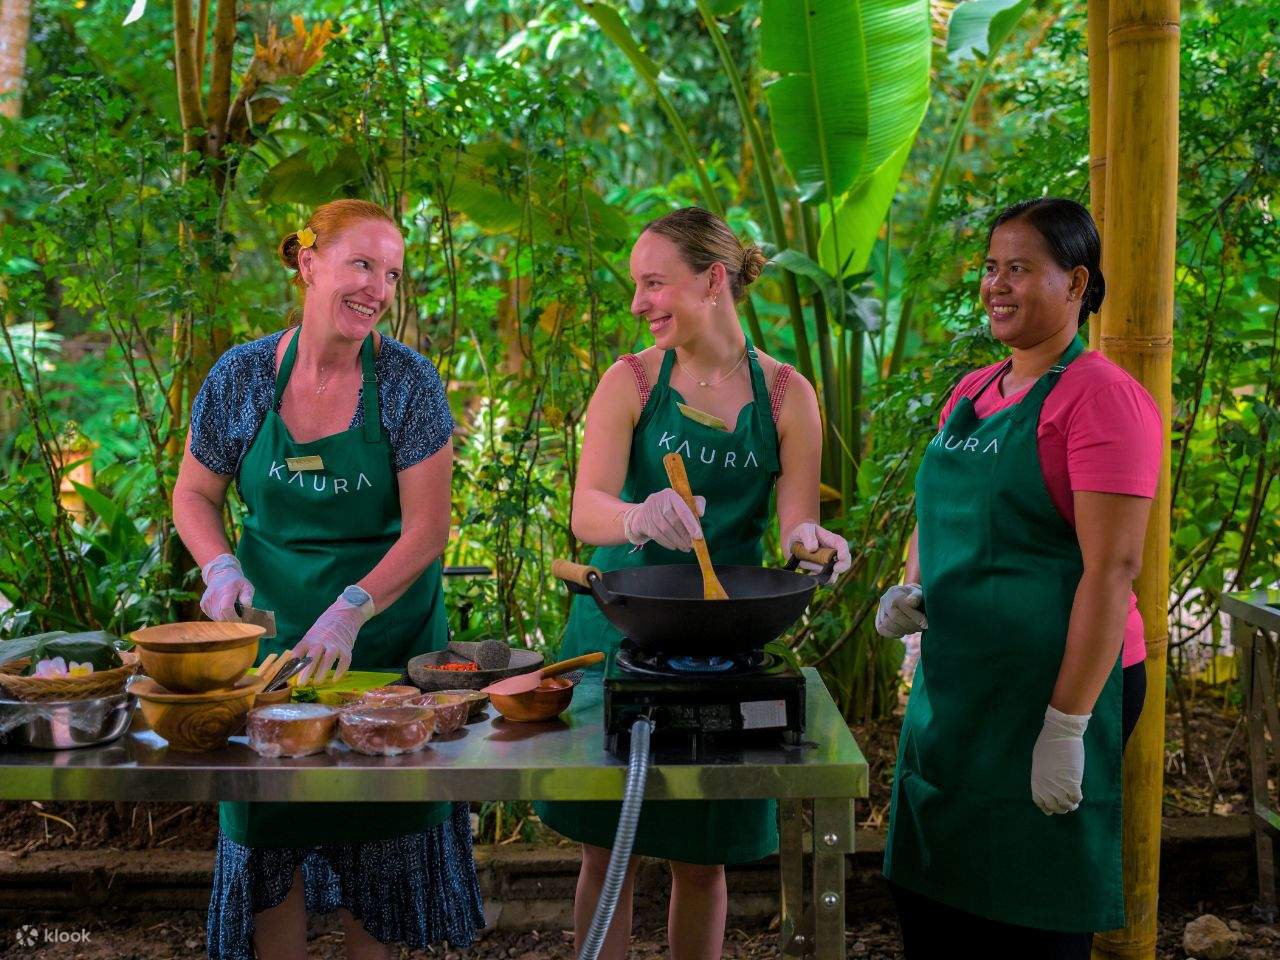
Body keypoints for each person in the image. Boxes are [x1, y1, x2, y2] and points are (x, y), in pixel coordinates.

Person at [534, 206, 852, 960]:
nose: (639, 302)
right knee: (606, 851)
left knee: (703, 861)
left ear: (712, 281)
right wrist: (639, 517)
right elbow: (586, 509)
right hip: (621, 630)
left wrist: (813, 544)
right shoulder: (632, 381)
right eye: (636, 285)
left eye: (654, 283)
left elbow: (796, 526)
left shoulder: (788, 395)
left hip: (724, 641)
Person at [172, 199, 483, 960]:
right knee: (270, 840)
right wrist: (218, 564)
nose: (378, 288)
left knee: (381, 849)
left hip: (384, 655)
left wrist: (352, 607)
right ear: (309, 263)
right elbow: (194, 495)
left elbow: (427, 531)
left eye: (392, 274)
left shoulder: (407, 383)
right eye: (362, 264)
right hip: (271, 667)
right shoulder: (243, 376)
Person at [877, 197, 1162, 959]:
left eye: (1020, 269)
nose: (996, 285)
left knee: (1031, 903)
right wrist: (912, 591)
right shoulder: (972, 391)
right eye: (991, 267)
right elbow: (938, 510)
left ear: (1076, 283)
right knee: (935, 887)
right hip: (959, 682)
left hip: (1055, 684)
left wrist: (1065, 725)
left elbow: (1112, 569)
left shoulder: (1103, 398)